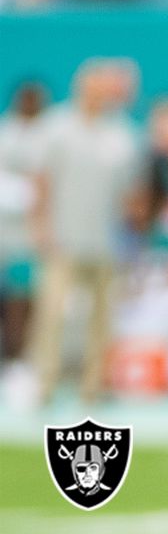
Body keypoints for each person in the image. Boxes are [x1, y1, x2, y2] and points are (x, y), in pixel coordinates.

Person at [28, 59, 141, 405]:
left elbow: (130, 194)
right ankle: (44, 382)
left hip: (106, 240)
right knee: (52, 314)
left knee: (102, 318)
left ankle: (93, 385)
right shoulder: (57, 127)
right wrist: (41, 226)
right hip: (64, 236)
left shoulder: (120, 133)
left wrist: (131, 237)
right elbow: (42, 181)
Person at [0, 80, 47, 378]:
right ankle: (7, 356)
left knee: (31, 296)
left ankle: (24, 357)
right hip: (4, 227)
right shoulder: (5, 133)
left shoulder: (48, 136)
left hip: (35, 231)